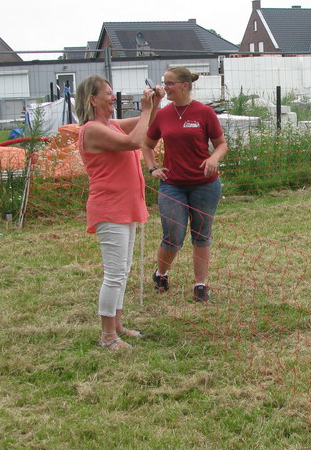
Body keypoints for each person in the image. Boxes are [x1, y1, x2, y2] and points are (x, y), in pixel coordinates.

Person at [75, 74, 162, 350]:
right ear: (93, 99)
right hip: (109, 207)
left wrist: (155, 103)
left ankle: (118, 325)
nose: (114, 97)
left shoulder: (110, 124)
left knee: (122, 270)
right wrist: (147, 108)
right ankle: (107, 336)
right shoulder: (92, 130)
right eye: (108, 93)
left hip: (124, 206)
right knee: (113, 273)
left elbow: (144, 125)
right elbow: (134, 142)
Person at [141, 66, 228, 303]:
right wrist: (153, 167)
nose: (165, 87)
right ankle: (161, 274)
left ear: (184, 86)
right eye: (165, 82)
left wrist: (213, 159)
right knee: (173, 235)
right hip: (173, 185)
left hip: (205, 185)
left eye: (169, 83)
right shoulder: (163, 114)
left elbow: (221, 144)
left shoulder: (204, 112)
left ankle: (200, 285)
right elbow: (146, 144)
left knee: (202, 235)